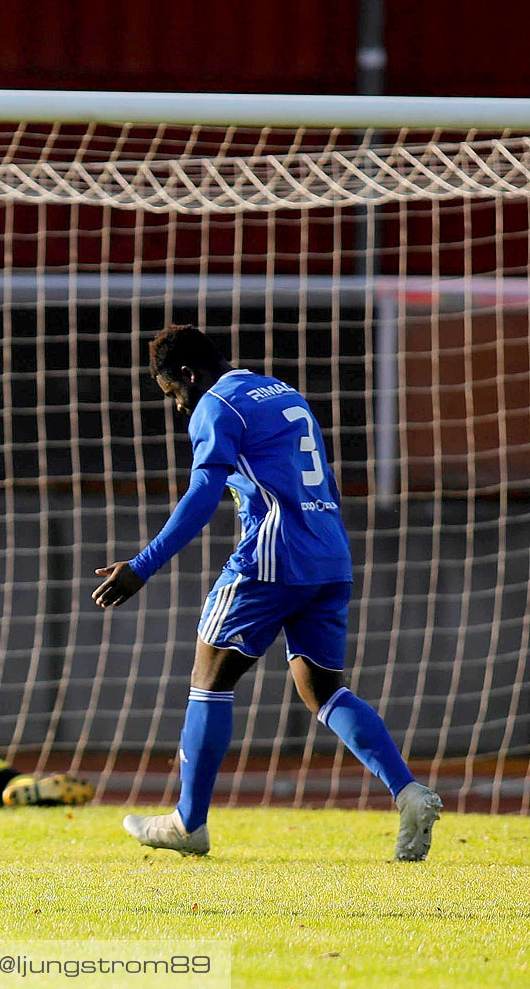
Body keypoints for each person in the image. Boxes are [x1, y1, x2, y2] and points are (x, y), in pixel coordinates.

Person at [92, 324, 441, 860]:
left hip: (273, 556)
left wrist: (142, 566)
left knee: (210, 675)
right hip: (330, 555)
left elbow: (204, 491)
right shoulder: (281, 392)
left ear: (188, 375)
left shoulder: (216, 406)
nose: (181, 408)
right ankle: (410, 792)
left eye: (174, 394)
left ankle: (189, 823)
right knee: (323, 690)